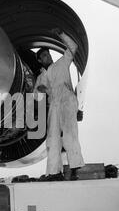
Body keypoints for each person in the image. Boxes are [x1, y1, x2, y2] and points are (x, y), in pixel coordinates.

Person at [35, 28, 85, 180]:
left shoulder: (62, 63)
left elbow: (73, 48)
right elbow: (36, 96)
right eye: (44, 55)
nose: (47, 56)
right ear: (40, 60)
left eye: (48, 54)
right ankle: (54, 172)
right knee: (52, 139)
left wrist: (61, 34)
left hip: (66, 100)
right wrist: (40, 90)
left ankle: (75, 168)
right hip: (54, 105)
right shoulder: (42, 76)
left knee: (70, 135)